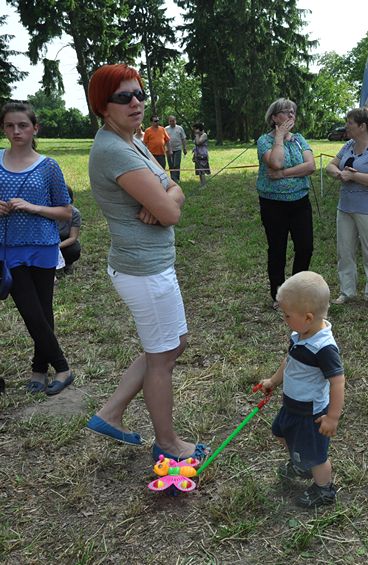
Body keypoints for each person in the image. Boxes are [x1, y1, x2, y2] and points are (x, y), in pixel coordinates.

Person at [85, 63, 206, 461]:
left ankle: (111, 412)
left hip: (152, 265)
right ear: (103, 106)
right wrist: (167, 202)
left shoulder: (133, 141)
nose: (136, 102)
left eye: (139, 94)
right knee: (162, 357)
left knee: (173, 344)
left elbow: (174, 189)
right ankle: (168, 443)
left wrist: (165, 197)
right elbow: (173, 210)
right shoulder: (114, 150)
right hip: (143, 270)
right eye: (124, 97)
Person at [0, 102, 75, 395]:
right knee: (29, 311)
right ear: (4, 128)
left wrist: (32, 207)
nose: (16, 131)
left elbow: (66, 212)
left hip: (43, 245)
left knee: (43, 310)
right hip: (8, 248)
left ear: (35, 129)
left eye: (22, 125)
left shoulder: (49, 166)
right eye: (9, 125)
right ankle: (63, 366)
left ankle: (39, 368)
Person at [259, 271, 345, 508]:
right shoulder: (300, 335)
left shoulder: (324, 348)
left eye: (287, 315)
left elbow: (338, 382)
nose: (284, 318)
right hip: (292, 405)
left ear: (308, 317)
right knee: (280, 432)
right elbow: (290, 361)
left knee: (317, 455)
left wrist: (332, 417)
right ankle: (300, 462)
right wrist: (274, 381)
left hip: (311, 414)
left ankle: (324, 489)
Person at [325, 107, 368, 308]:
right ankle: (347, 292)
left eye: (350, 122)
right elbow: (330, 165)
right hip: (345, 207)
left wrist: (354, 176)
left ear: (363, 126)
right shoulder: (348, 145)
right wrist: (339, 174)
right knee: (344, 251)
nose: (347, 125)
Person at [256, 98, 316, 307]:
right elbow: (275, 161)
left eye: (293, 111)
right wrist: (279, 137)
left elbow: (310, 166)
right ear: (274, 117)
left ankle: (297, 292)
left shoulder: (299, 139)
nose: (291, 115)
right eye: (285, 112)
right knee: (277, 249)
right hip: (273, 204)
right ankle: (279, 294)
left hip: (300, 202)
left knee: (305, 247)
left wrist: (281, 174)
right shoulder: (264, 141)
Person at [57, 187, 82, 274]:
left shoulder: (75, 213)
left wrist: (57, 247)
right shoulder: (47, 211)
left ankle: (67, 264)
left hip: (63, 241)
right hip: (48, 241)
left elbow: (73, 238)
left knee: (74, 249)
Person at [164, 115, 187, 182]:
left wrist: (184, 148)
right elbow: (164, 139)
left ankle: (177, 178)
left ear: (175, 121)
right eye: (170, 121)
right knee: (171, 164)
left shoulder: (180, 128)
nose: (172, 122)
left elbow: (183, 138)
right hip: (168, 149)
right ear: (168, 121)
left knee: (176, 164)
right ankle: (172, 178)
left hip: (178, 149)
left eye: (173, 121)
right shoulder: (166, 129)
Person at [192, 122, 210, 187]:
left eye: (194, 129)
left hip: (202, 154)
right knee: (199, 170)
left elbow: (198, 142)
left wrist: (197, 135)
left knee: (202, 170)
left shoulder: (204, 135)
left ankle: (204, 185)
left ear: (198, 129)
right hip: (197, 154)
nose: (193, 130)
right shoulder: (198, 135)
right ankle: (201, 184)